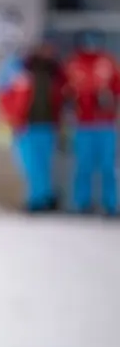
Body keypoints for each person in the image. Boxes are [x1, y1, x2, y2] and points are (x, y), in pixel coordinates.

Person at [0, 40, 66, 212]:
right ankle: (38, 198)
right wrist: (10, 118)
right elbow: (3, 95)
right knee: (29, 165)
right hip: (25, 126)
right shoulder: (19, 71)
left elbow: (62, 98)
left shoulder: (56, 73)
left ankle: (43, 198)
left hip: (48, 125)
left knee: (43, 165)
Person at [63, 29, 120, 215]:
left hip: (106, 124)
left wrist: (110, 99)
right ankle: (81, 203)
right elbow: (65, 90)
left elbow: (117, 87)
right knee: (83, 165)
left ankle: (111, 204)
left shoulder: (108, 62)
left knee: (107, 166)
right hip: (83, 124)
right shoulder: (74, 63)